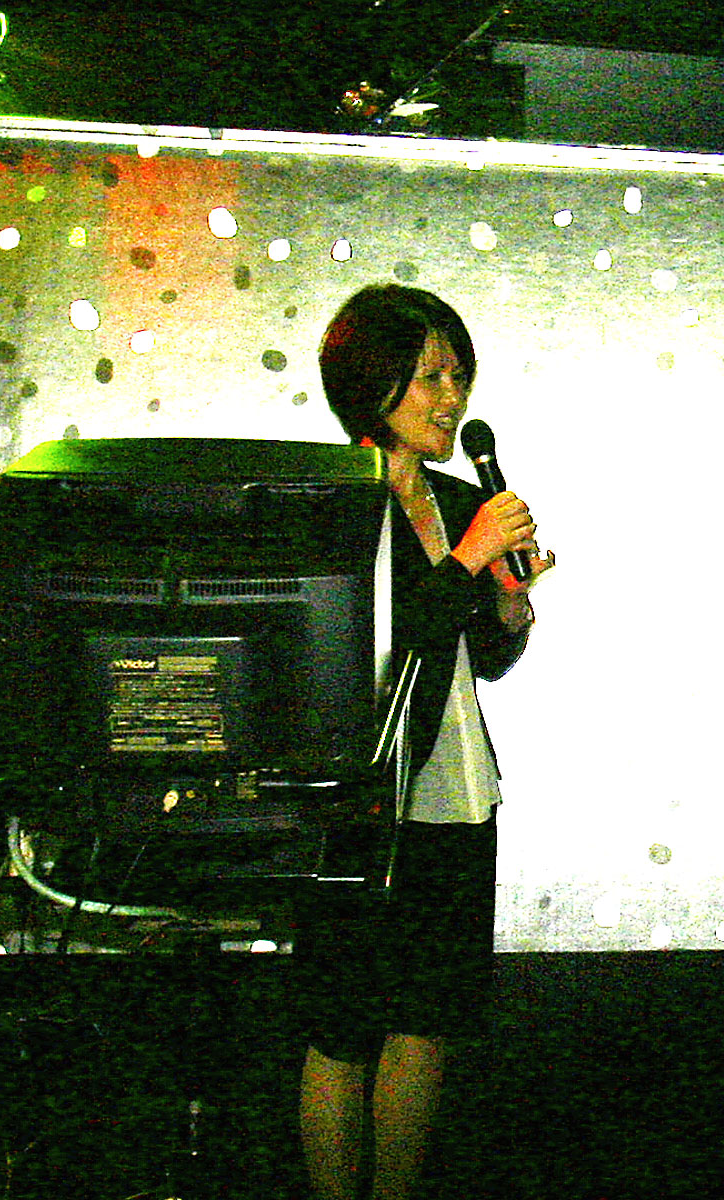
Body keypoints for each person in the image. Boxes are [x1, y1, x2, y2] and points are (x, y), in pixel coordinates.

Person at [295, 284, 550, 1200]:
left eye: (459, 376)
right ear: (373, 386)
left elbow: (478, 657)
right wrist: (469, 559)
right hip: (357, 795)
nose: (453, 398)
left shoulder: (456, 499)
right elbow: (379, 650)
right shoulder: (333, 502)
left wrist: (509, 602)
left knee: (427, 1018)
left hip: (454, 784)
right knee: (343, 1026)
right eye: (431, 377)